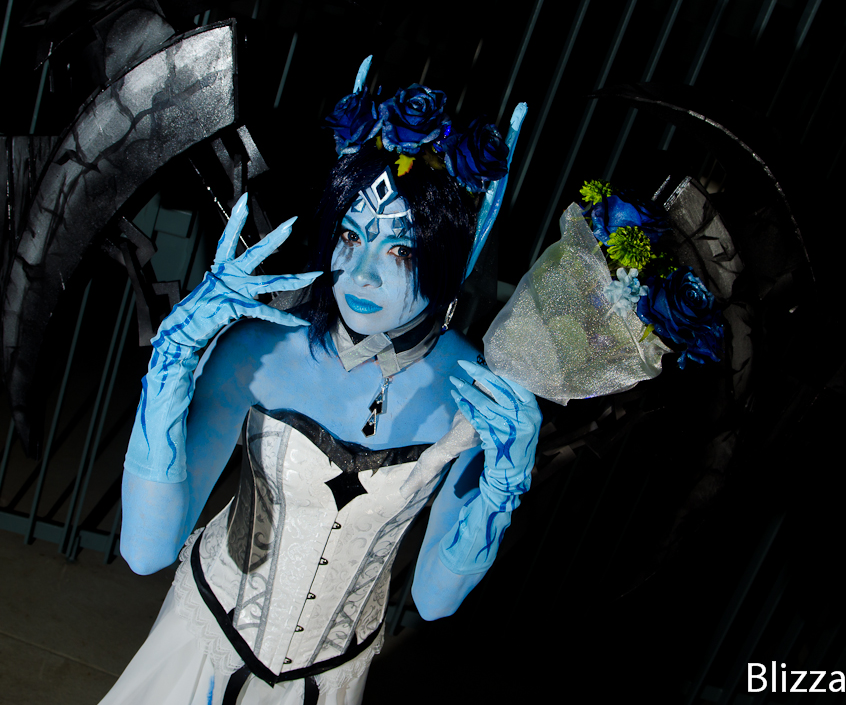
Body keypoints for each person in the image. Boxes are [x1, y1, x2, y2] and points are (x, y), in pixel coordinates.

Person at [99, 77, 537, 705]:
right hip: (201, 649)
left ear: (451, 254)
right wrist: (170, 366)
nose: (361, 274)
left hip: (332, 681)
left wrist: (502, 488)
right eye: (351, 237)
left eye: (402, 249)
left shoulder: (475, 395)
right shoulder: (260, 349)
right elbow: (146, 552)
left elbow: (433, 601)